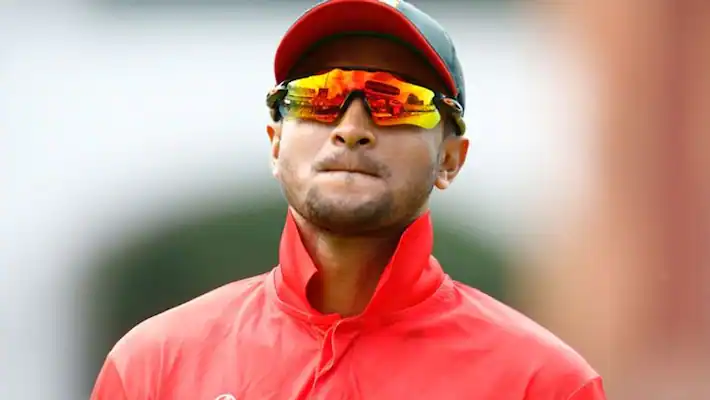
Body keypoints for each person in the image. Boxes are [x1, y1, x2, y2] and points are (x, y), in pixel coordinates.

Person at [90, 0, 607, 399]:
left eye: (394, 100)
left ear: (450, 159)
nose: (351, 127)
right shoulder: (153, 365)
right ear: (276, 144)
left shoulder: (541, 382)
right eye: (320, 96)